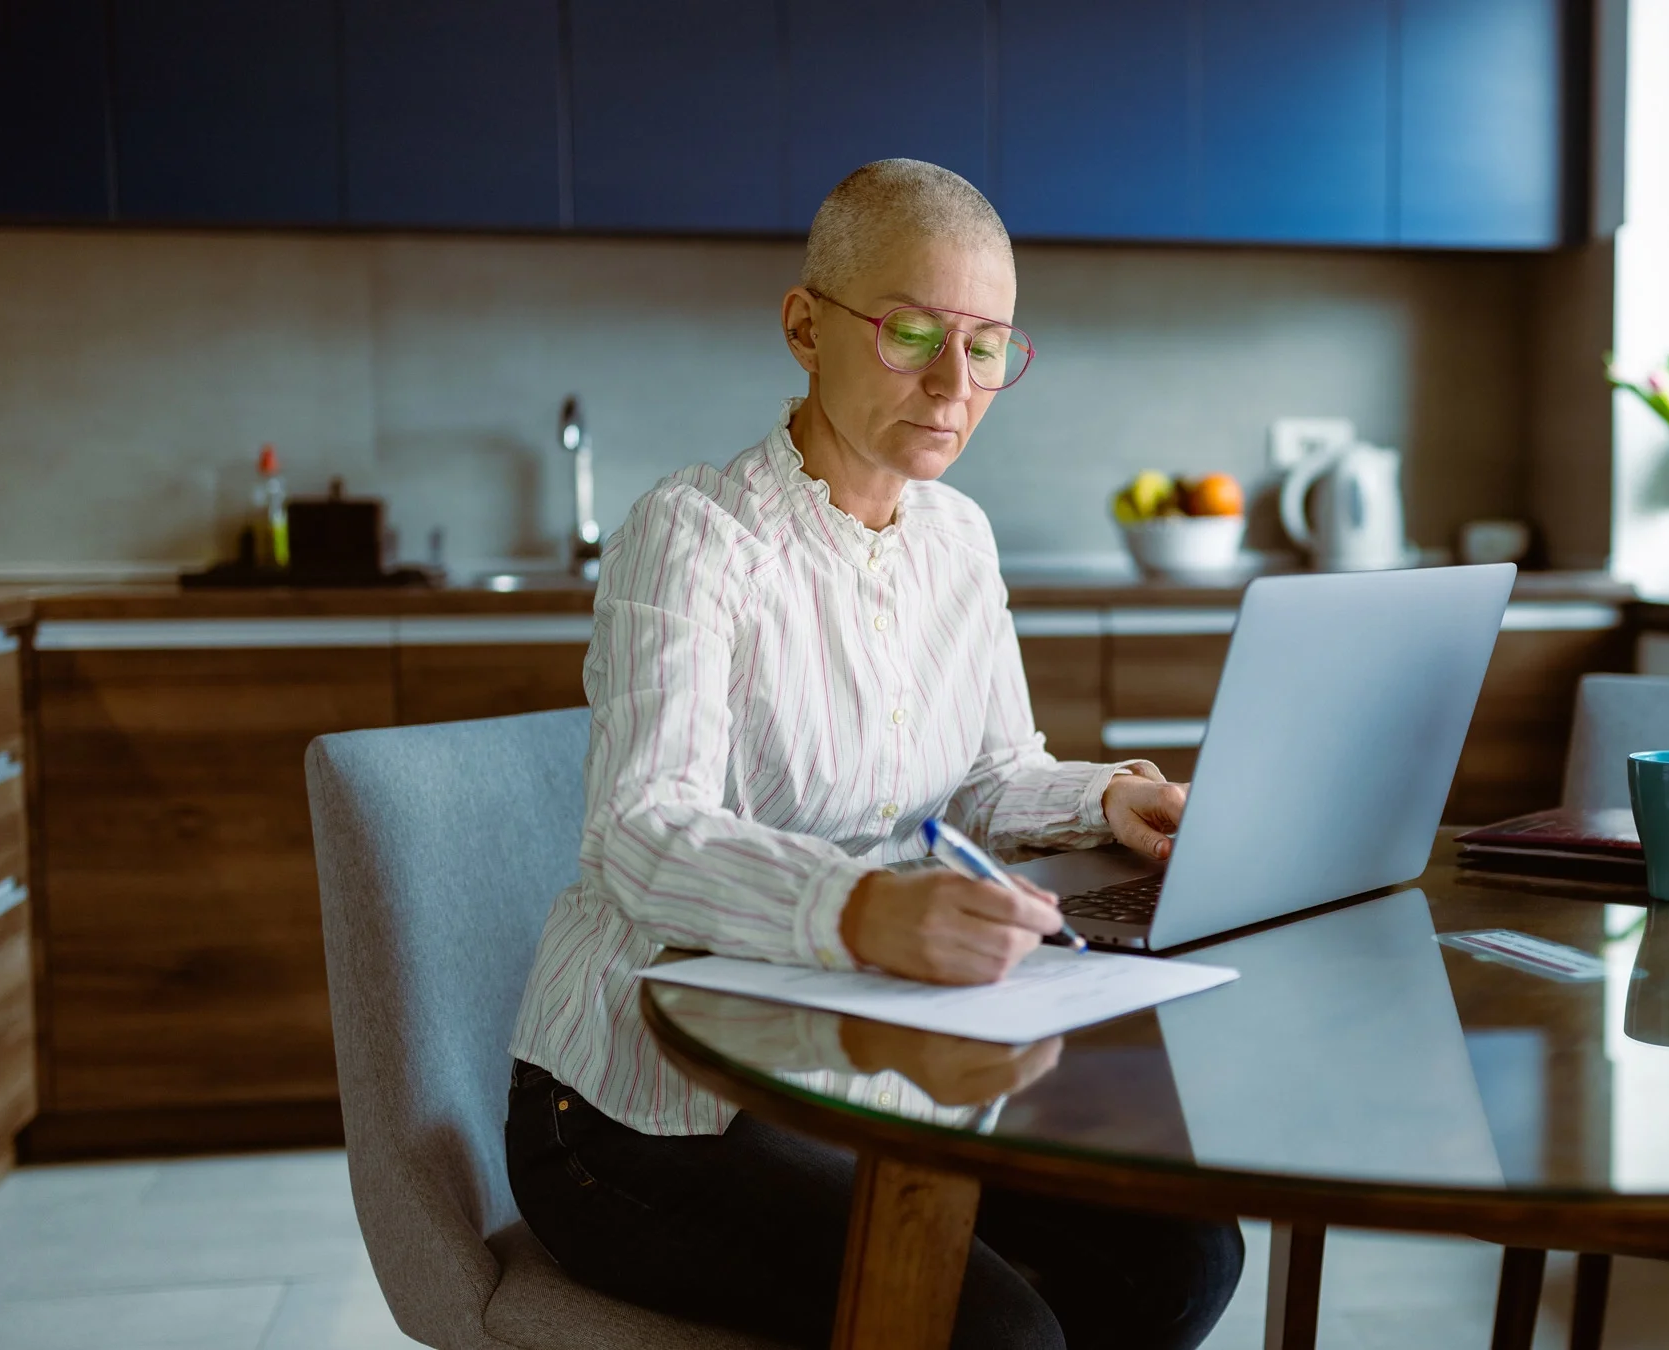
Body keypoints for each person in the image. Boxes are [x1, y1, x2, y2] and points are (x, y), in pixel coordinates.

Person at [504, 159, 1243, 1349]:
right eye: (912, 333)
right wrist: (863, 910)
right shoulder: (689, 536)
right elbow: (640, 829)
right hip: (636, 1116)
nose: (956, 385)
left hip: (872, 1075)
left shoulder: (957, 536)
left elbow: (992, 779)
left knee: (1185, 1255)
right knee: (1001, 1334)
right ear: (807, 326)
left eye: (990, 345)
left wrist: (1111, 798)